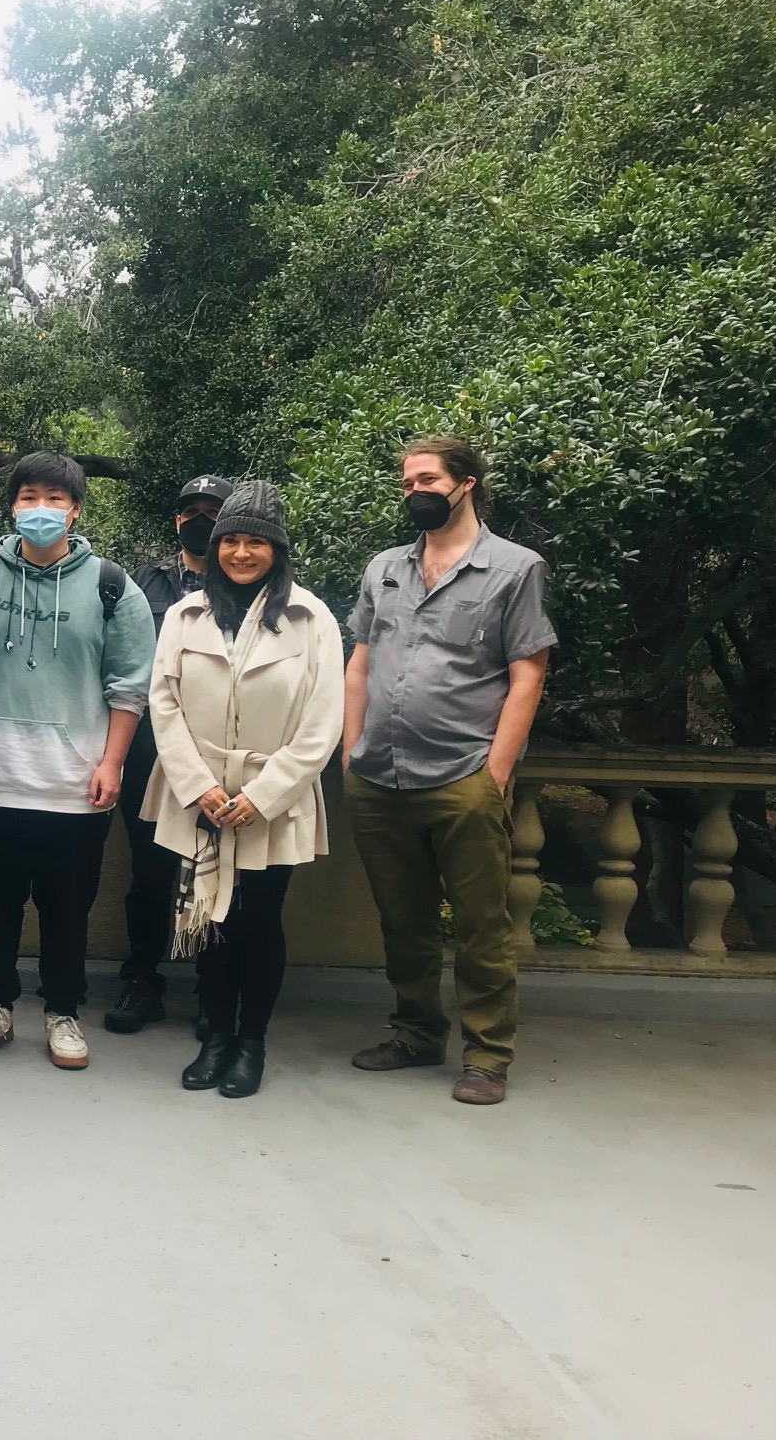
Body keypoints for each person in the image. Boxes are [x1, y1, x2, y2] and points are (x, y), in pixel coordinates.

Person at [344, 437, 554, 1107]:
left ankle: (487, 1055)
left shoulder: (515, 569)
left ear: (466, 483)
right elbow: (359, 661)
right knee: (401, 920)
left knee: (479, 924)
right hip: (380, 776)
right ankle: (415, 1033)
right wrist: (353, 749)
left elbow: (529, 672)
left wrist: (496, 771)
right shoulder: (384, 568)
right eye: (407, 483)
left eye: (427, 480)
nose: (415, 492)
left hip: (464, 775)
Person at [0, 452, 155, 1071]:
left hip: (73, 785)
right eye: (29, 497)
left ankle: (63, 1012)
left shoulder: (113, 588)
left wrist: (112, 762)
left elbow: (130, 687)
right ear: (12, 505)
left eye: (55, 499)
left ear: (77, 510)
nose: (42, 510)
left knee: (68, 910)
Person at [142, 481, 344, 1098]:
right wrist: (198, 785)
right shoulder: (185, 614)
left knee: (259, 920)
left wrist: (264, 794)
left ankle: (250, 1041)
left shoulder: (310, 619)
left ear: (277, 549)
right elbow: (164, 704)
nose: (240, 552)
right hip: (198, 796)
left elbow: (323, 719)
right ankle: (215, 1038)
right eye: (231, 539)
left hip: (270, 801)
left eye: (255, 541)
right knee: (209, 917)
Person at [107, 473, 234, 1038]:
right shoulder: (145, 584)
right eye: (191, 511)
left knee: (217, 869)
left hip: (222, 753)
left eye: (214, 510)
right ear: (177, 519)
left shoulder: (253, 587)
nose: (201, 520)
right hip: (149, 754)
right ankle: (143, 980)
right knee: (151, 870)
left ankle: (214, 988)